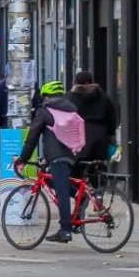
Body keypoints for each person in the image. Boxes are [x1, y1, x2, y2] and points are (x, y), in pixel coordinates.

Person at [15, 81, 83, 243]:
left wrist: (22, 159)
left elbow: (32, 138)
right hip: (72, 154)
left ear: (46, 96)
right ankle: (79, 194)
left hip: (57, 156)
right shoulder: (71, 108)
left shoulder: (44, 111)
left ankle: (65, 230)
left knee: (61, 191)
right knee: (52, 180)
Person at [69, 70, 119, 164]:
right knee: (98, 166)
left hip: (79, 141)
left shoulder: (70, 98)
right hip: (100, 139)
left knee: (77, 170)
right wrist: (111, 136)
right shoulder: (103, 97)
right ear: (91, 81)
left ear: (75, 82)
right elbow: (111, 118)